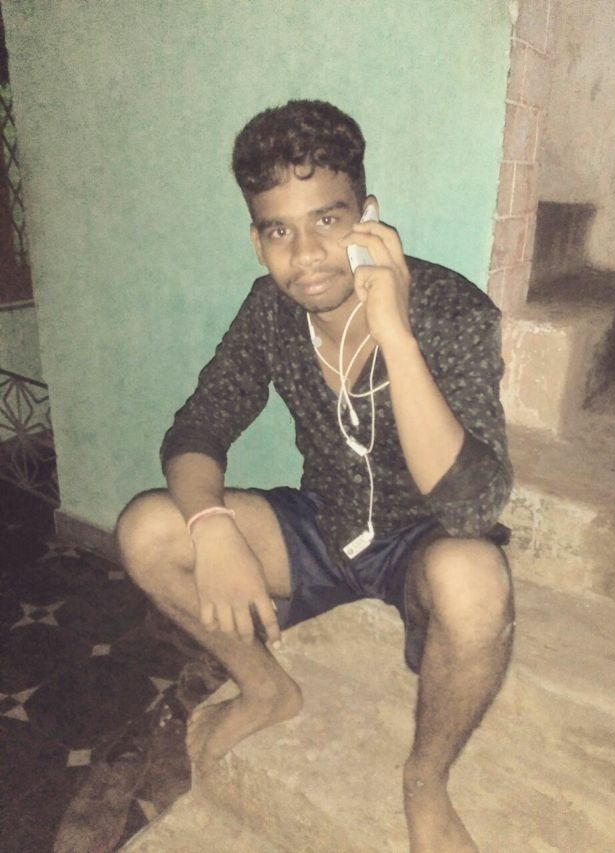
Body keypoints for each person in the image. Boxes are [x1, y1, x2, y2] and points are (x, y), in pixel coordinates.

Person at [116, 99, 515, 853]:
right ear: (257, 239)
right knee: (149, 529)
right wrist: (212, 527)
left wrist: (394, 331)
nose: (305, 256)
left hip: (422, 541)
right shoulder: (270, 311)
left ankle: (425, 781)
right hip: (322, 526)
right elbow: (197, 427)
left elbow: (471, 507)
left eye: (327, 220)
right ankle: (267, 686)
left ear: (367, 216)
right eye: (279, 231)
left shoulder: (452, 311)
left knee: (475, 582)